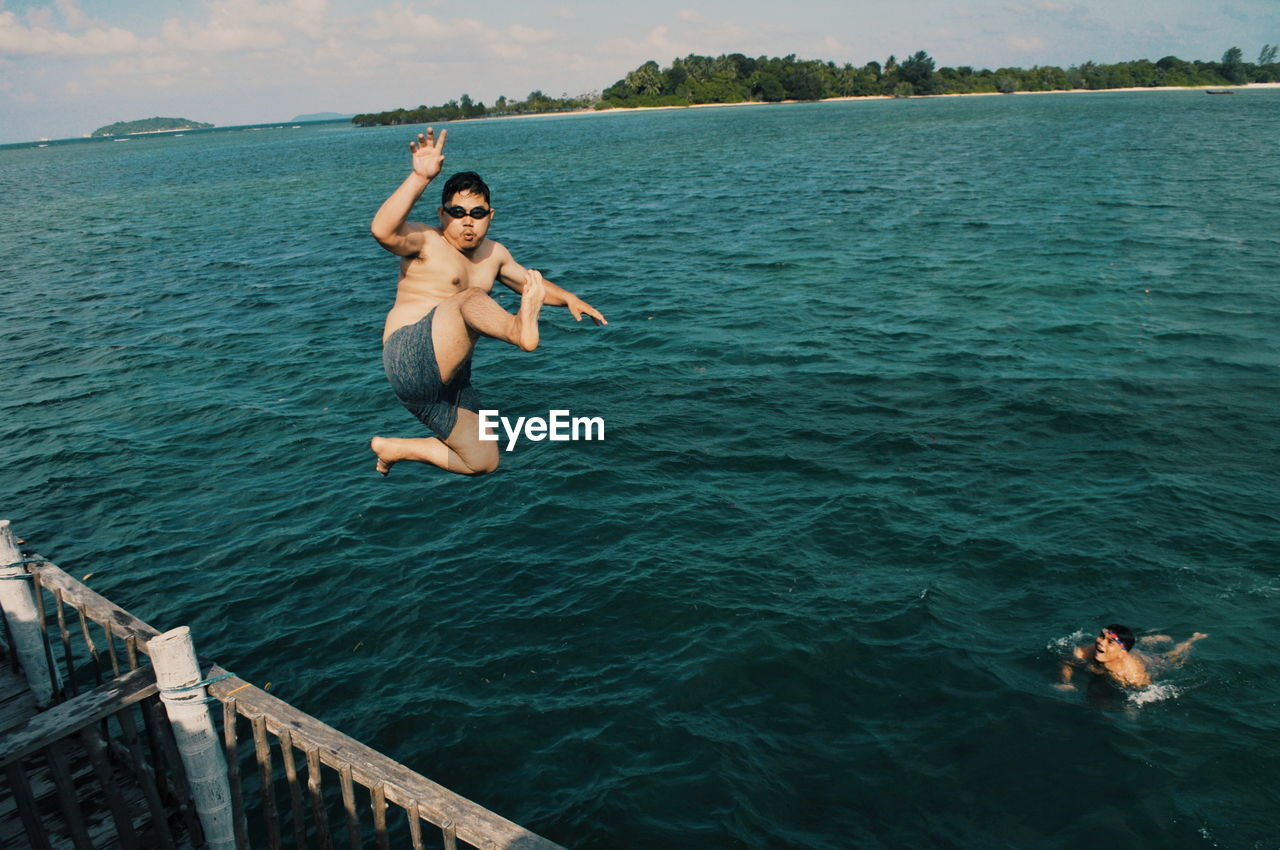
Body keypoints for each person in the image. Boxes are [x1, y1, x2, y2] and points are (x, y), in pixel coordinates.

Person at [368, 128, 606, 476]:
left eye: (478, 214)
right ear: (441, 214)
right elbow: (382, 230)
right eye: (458, 211)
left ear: (490, 216)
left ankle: (394, 448)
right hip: (409, 355)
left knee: (483, 460)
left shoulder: (495, 254)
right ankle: (518, 328)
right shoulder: (425, 242)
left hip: (448, 381)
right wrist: (420, 176)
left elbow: (529, 284)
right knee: (470, 297)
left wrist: (569, 298)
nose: (468, 221)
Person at [1058, 624, 1207, 690]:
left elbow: (1145, 692)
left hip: (1152, 663)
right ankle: (1151, 638)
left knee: (1173, 657)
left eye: (1109, 642)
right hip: (1129, 654)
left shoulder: (1130, 674)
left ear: (1122, 652)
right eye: (1101, 637)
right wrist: (1066, 681)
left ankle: (1192, 640)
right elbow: (1067, 662)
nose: (1101, 643)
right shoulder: (1089, 650)